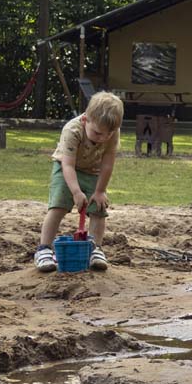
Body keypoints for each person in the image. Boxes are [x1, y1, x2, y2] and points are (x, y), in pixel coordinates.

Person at [34, 91, 124, 273]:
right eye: (98, 133)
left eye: (108, 134)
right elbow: (68, 165)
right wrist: (75, 191)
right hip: (66, 168)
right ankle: (44, 249)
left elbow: (107, 164)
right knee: (58, 206)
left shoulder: (111, 133)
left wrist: (100, 191)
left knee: (98, 209)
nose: (102, 138)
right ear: (86, 120)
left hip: (93, 171)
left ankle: (95, 248)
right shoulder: (72, 130)